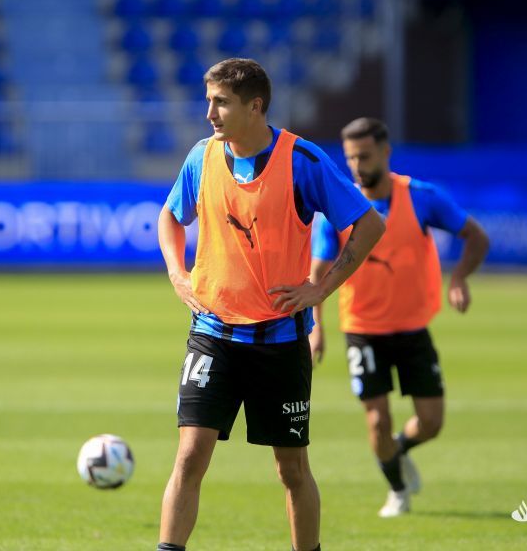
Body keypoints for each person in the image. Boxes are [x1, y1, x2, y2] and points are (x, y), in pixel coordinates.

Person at [157, 59, 385, 551]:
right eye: (209, 101)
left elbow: (369, 225)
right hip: (213, 334)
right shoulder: (201, 157)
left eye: (220, 102)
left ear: (255, 106)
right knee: (190, 455)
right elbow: (171, 218)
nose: (209, 113)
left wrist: (320, 290)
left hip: (280, 342)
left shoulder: (301, 160)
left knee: (291, 469)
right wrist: (178, 274)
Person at [309, 117, 490, 518]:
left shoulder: (423, 198)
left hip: (412, 328)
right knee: (376, 419)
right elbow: (317, 275)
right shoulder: (337, 208)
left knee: (431, 422)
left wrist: (459, 277)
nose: (357, 166)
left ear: (386, 153)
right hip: (362, 330)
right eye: (351, 158)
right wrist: (316, 328)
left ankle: (397, 450)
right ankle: (397, 490)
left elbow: (476, 236)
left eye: (365, 156)